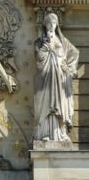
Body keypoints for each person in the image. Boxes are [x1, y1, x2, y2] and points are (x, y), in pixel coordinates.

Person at [34, 13, 79, 141]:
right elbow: (39, 60)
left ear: (57, 25)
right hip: (45, 81)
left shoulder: (62, 41)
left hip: (59, 81)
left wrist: (68, 69)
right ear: (45, 25)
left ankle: (60, 133)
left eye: (54, 23)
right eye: (49, 23)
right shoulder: (39, 42)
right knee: (45, 106)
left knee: (59, 106)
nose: (51, 26)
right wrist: (47, 44)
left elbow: (74, 53)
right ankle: (44, 133)